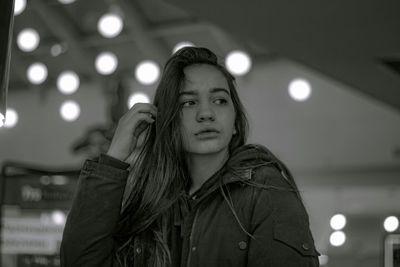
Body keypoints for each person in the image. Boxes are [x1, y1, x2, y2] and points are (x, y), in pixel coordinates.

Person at [60, 47, 320, 267]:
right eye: (188, 103)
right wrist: (114, 157)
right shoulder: (152, 205)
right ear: (168, 121)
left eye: (219, 100)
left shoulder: (265, 190)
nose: (206, 114)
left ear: (236, 123)